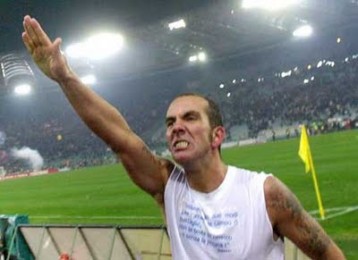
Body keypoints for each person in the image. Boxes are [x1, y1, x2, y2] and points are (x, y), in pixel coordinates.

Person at [22, 15, 345, 259]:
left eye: (190, 118)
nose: (176, 126)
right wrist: (65, 78)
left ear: (217, 135)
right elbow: (119, 137)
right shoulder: (168, 186)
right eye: (170, 121)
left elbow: (329, 253)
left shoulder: (265, 193)